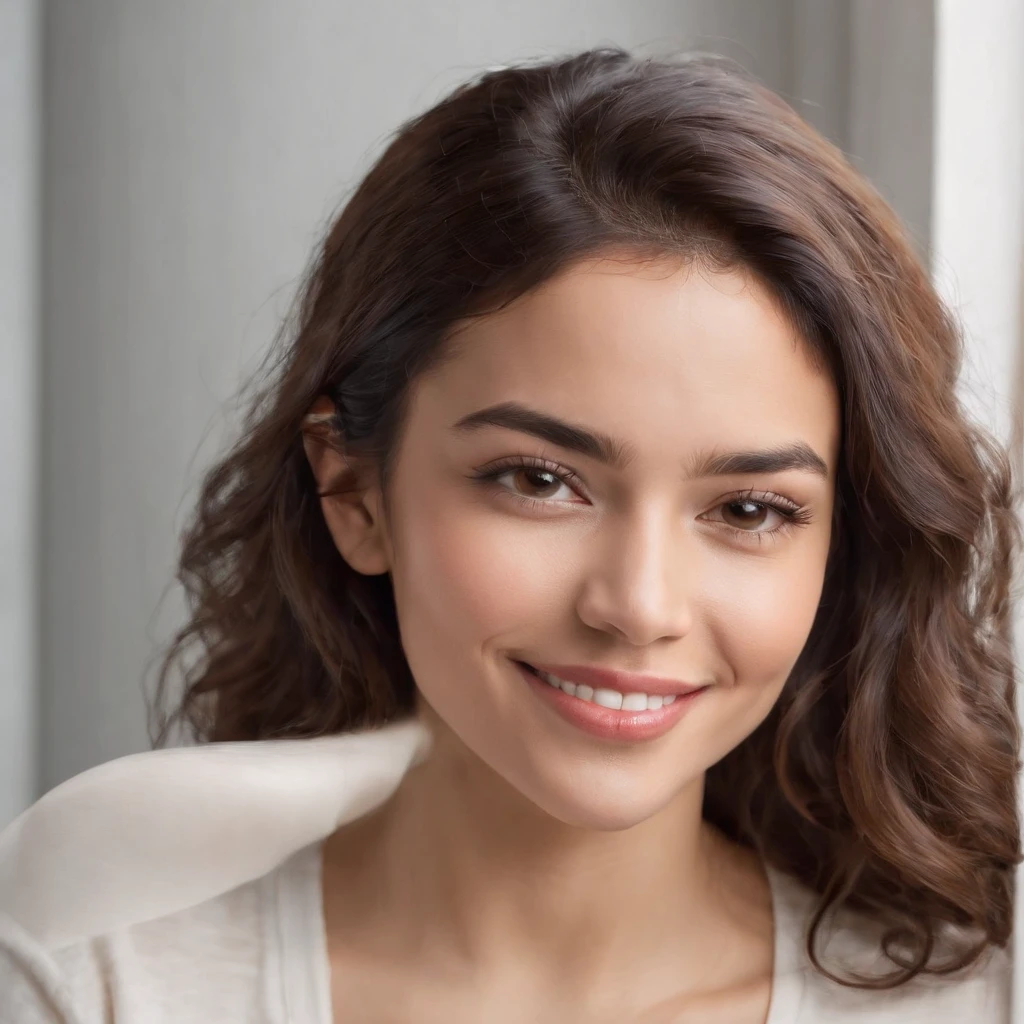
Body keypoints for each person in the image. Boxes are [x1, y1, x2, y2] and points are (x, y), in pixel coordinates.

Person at [0, 46, 1019, 1024]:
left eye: (749, 510)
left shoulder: (974, 1003)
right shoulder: (95, 988)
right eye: (539, 481)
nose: (637, 604)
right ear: (353, 489)